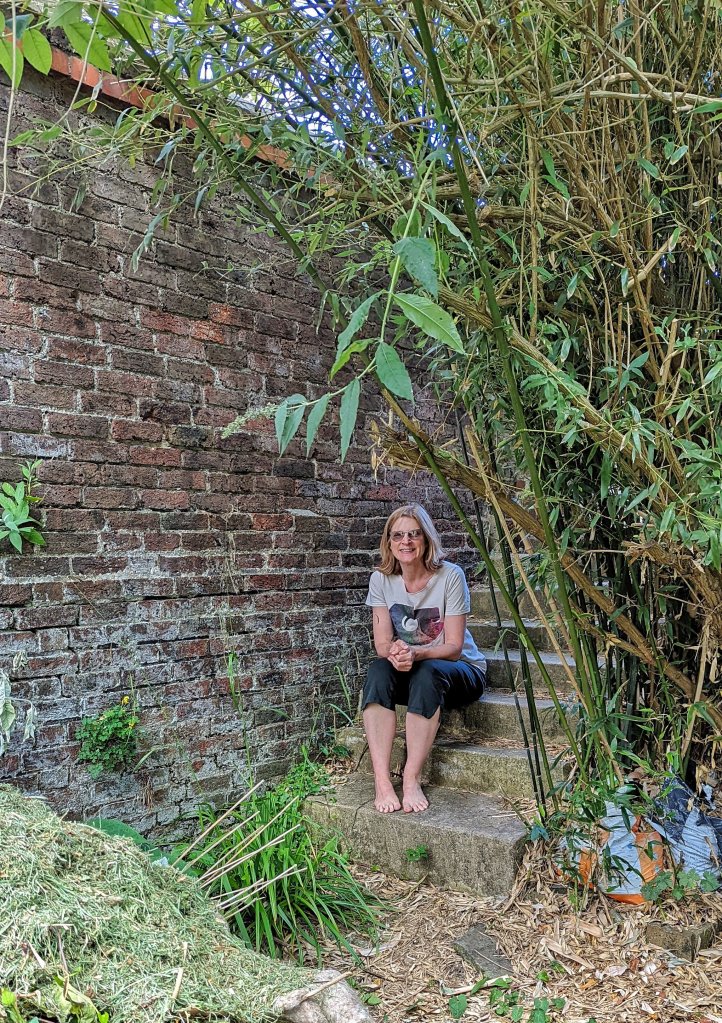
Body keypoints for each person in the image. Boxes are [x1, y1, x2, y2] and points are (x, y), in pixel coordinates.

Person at [362, 504, 487, 814]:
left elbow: (455, 647)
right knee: (378, 671)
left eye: (414, 534)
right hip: (413, 668)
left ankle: (411, 777)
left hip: (461, 672)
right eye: (398, 535)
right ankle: (381, 780)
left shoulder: (450, 576)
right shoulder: (380, 580)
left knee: (427, 672)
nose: (406, 542)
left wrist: (415, 653)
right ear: (389, 542)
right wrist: (397, 653)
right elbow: (381, 644)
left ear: (426, 539)